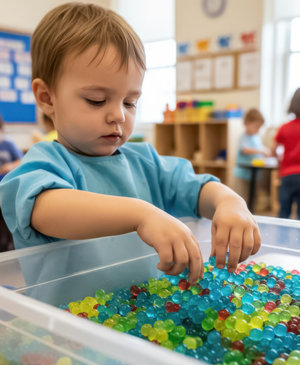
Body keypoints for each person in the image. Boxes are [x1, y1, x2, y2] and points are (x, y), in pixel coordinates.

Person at [0, 3, 260, 284]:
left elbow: (198, 188)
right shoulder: (43, 165)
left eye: (130, 102)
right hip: (65, 325)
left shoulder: (146, 162)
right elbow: (47, 208)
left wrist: (229, 202)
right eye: (96, 100)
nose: (118, 115)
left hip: (143, 322)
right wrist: (141, 215)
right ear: (47, 98)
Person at [271, 88, 300, 219]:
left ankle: (280, 239)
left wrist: (279, 160)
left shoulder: (285, 127)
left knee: (284, 213)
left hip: (287, 174)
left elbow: (273, 149)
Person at [233, 108, 270, 201]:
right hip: (243, 174)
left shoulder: (256, 137)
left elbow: (260, 150)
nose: (258, 130)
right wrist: (261, 151)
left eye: (259, 127)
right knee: (242, 198)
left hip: (255, 174)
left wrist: (264, 153)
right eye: (256, 126)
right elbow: (245, 150)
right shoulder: (244, 137)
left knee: (253, 199)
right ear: (247, 123)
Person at [0, 115, 23, 251]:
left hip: (6, 190)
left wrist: (10, 165)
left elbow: (22, 160)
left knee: (7, 223)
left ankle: (8, 246)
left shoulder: (8, 144)